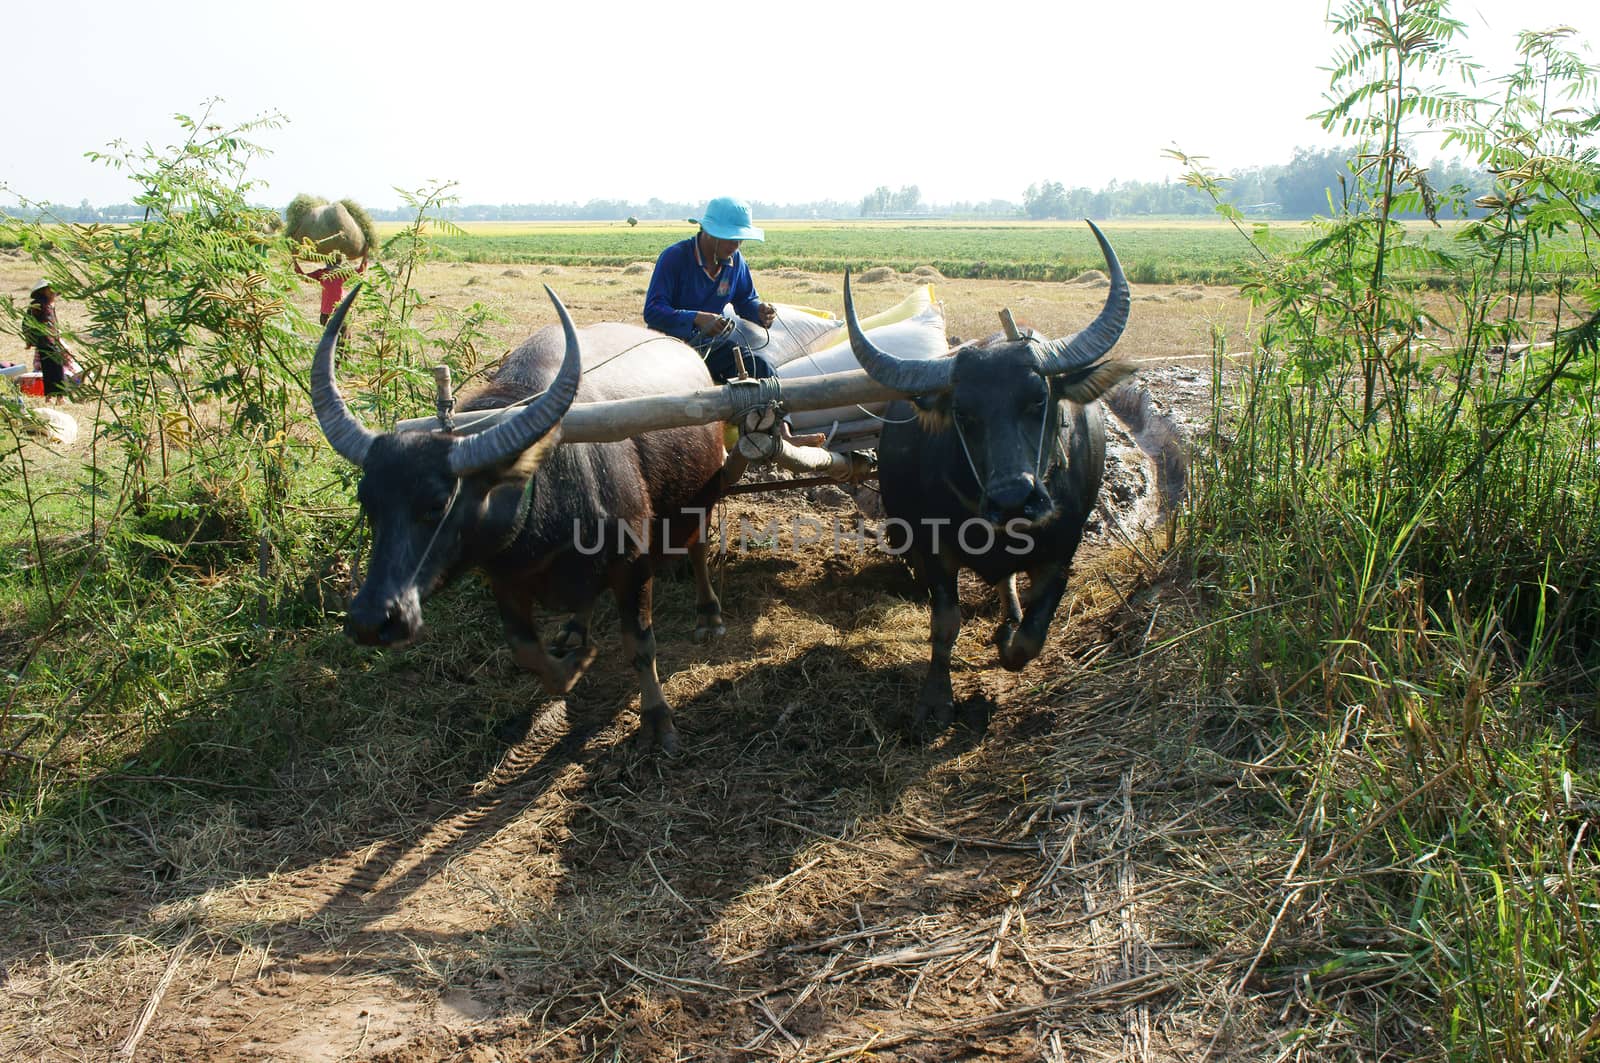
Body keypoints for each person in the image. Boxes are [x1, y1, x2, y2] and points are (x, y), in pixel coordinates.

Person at [644, 197, 821, 444]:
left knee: (760, 368)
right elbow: (653, 311)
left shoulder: (735, 263)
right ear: (709, 233)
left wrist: (759, 311)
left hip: (710, 347)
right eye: (730, 238)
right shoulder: (675, 258)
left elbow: (745, 300)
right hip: (670, 345)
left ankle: (783, 433)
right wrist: (696, 318)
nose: (736, 245)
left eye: (740, 239)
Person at [23, 280, 76, 403]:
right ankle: (55, 397)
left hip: (52, 341)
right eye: (50, 290)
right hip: (46, 341)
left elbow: (54, 326)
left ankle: (56, 397)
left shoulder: (49, 305)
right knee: (53, 369)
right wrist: (29, 340)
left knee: (54, 369)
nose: (53, 292)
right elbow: (27, 323)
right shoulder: (37, 305)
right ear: (43, 291)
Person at [294, 251, 367, 329]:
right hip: (332, 311)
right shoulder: (324, 273)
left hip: (337, 310)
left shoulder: (340, 273)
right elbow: (360, 270)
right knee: (335, 336)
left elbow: (304, 277)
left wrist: (295, 262)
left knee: (337, 336)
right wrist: (294, 261)